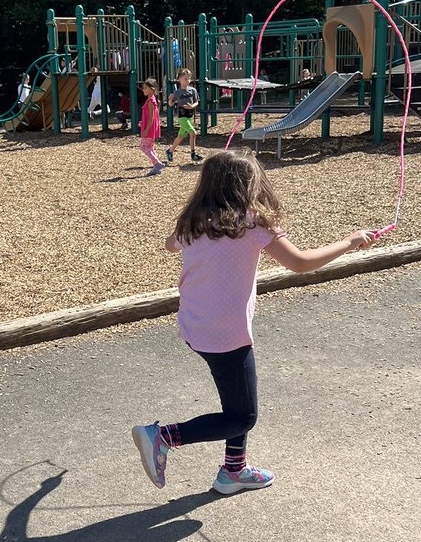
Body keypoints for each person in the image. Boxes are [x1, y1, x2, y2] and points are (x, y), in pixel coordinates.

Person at [131, 150, 375, 494]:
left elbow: (171, 245)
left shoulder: (193, 221)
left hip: (195, 325)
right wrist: (349, 242)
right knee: (243, 416)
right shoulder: (251, 224)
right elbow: (301, 263)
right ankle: (165, 436)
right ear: (246, 187)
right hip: (225, 334)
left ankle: (234, 470)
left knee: (237, 400)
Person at [165, 67, 202, 164]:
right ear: (179, 80)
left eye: (189, 78)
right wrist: (170, 99)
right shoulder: (177, 92)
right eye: (185, 78)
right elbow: (171, 104)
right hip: (182, 117)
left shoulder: (193, 90)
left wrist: (192, 106)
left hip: (189, 116)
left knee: (180, 136)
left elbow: (196, 102)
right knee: (193, 133)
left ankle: (170, 151)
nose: (188, 80)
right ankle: (193, 154)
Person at [139, 78, 164, 176]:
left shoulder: (150, 101)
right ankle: (156, 166)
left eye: (146, 88)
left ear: (152, 89)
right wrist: (143, 123)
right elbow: (150, 116)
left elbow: (152, 117)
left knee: (144, 147)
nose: (143, 90)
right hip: (151, 128)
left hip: (149, 129)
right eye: (143, 88)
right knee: (150, 147)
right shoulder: (152, 100)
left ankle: (157, 163)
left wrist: (146, 129)